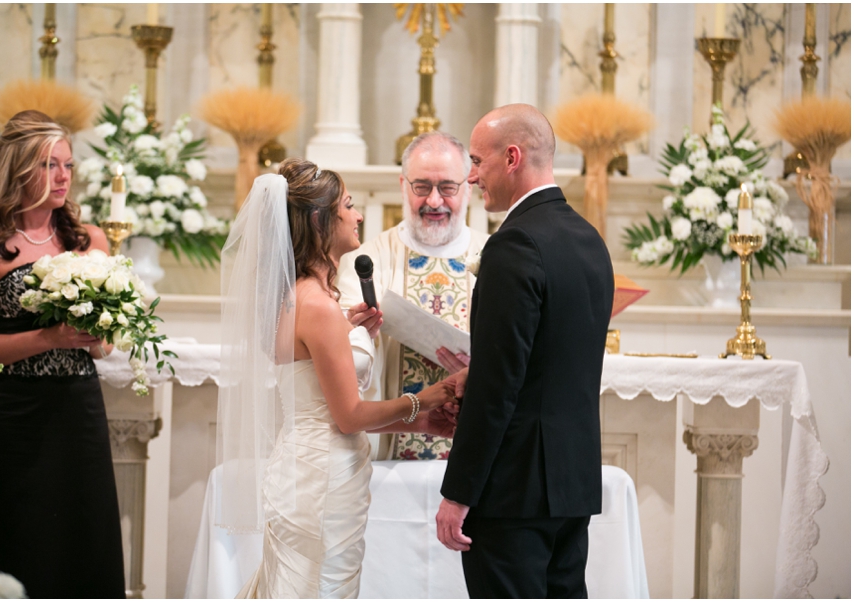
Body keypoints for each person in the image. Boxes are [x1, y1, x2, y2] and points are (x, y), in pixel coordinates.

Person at [219, 158, 457, 598]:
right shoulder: (316, 306)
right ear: (318, 220)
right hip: (324, 478)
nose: (359, 214)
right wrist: (428, 396)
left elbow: (329, 412)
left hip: (310, 463)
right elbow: (348, 417)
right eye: (348, 205)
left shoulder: (295, 300)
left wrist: (418, 422)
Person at [435, 104, 614, 598]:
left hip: (514, 491)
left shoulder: (515, 245)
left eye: (477, 161)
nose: (471, 177)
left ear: (511, 157)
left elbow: (498, 387)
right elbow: (553, 362)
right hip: (571, 485)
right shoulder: (589, 239)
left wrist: (458, 492)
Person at [0, 110, 125, 597]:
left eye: (68, 165)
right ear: (17, 169)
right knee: (14, 538)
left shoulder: (87, 240)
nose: (62, 177)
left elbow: (105, 344)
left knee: (82, 536)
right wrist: (47, 338)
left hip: (77, 407)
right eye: (49, 164)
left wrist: (99, 336)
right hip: (11, 413)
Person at [337, 131, 488, 460]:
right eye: (422, 187)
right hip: (392, 455)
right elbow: (341, 359)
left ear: (468, 188)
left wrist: (489, 367)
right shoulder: (366, 260)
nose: (434, 201)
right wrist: (356, 330)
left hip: (478, 453)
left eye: (447, 187)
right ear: (403, 185)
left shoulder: (496, 256)